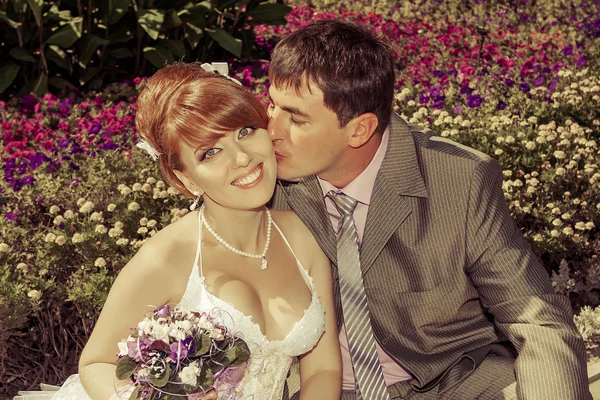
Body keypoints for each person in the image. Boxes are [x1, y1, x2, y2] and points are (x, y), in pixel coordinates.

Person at [267, 20, 591, 399]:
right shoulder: (259, 180)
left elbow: (536, 319)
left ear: (359, 130)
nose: (271, 129)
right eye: (271, 104)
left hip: (453, 381)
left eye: (296, 118)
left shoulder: (459, 178)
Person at [14, 62, 341, 400]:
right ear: (185, 178)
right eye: (211, 152)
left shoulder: (301, 236)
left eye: (245, 130)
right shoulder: (168, 256)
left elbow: (323, 367)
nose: (242, 157)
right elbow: (95, 363)